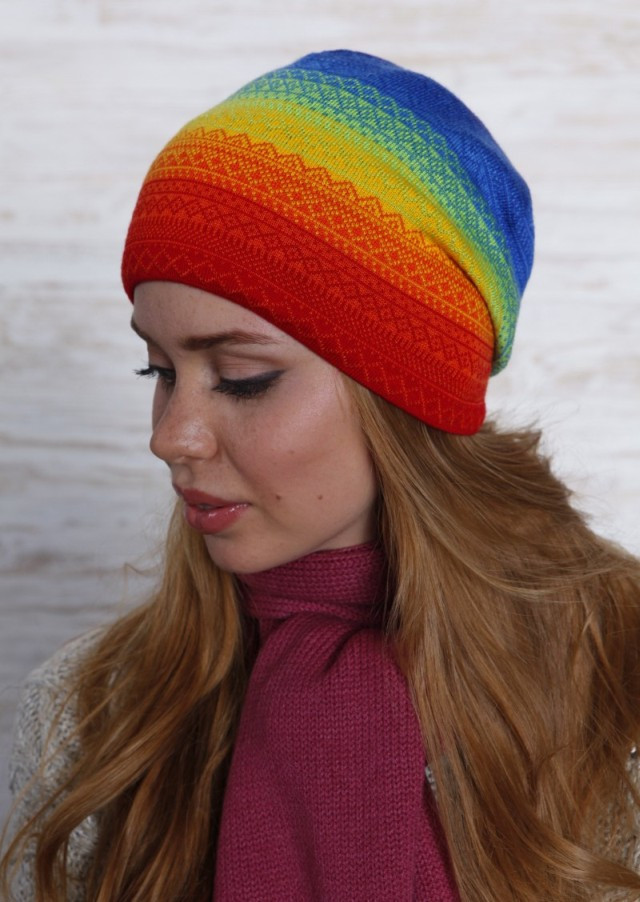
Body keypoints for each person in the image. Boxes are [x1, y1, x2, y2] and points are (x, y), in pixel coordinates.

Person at [1, 48, 639, 902]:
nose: (171, 437)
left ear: (403, 393)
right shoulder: (90, 715)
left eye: (242, 378)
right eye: (159, 370)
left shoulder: (619, 689)